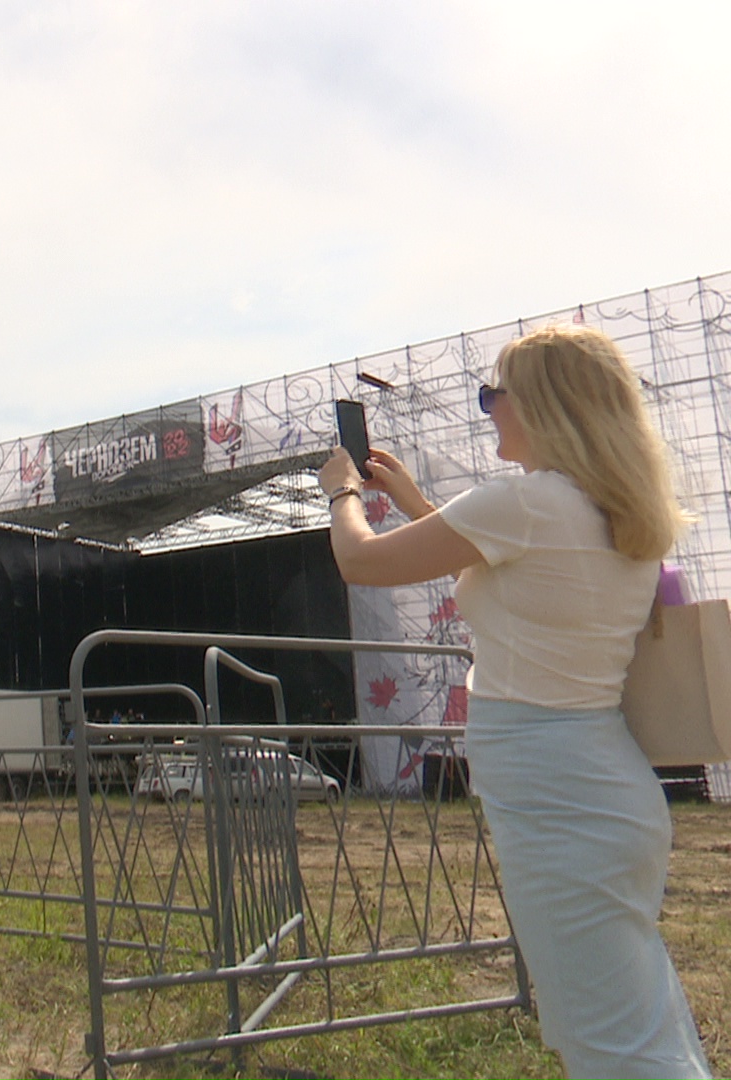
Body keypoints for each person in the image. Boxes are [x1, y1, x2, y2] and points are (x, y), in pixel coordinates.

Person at [317, 324, 711, 1079]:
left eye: (494, 392)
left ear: (545, 403)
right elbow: (506, 568)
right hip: (598, 787)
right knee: (629, 1019)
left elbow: (359, 561)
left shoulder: (524, 506)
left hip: (557, 793)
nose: (487, 407)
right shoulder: (605, 510)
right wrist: (410, 499)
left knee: (613, 1045)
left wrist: (342, 490)